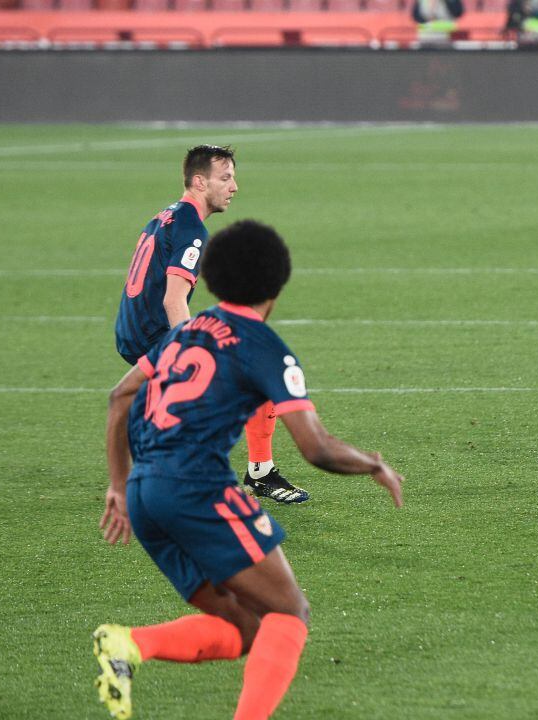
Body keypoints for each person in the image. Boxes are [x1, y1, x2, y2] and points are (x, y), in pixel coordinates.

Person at [95, 219, 404, 720]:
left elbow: (119, 396)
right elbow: (316, 447)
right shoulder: (262, 345)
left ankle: (128, 645)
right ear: (277, 284)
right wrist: (374, 464)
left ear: (212, 279)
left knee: (250, 630)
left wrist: (117, 485)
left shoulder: (184, 333)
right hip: (197, 490)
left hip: (145, 495)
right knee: (291, 613)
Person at [114, 145, 309, 504]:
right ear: (200, 182)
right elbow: (173, 300)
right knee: (248, 376)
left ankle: (238, 472)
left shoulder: (167, 215)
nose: (233, 187)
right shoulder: (191, 229)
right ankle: (237, 476)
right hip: (153, 335)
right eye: (226, 178)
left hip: (132, 330)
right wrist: (184, 357)